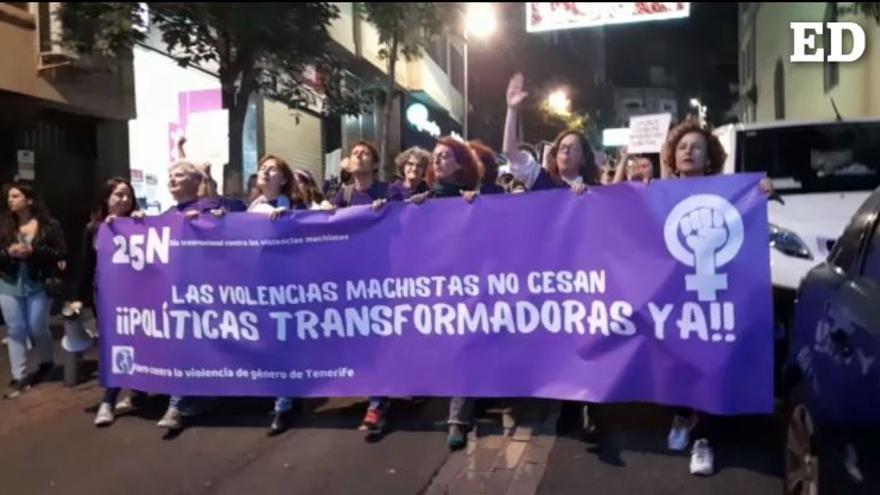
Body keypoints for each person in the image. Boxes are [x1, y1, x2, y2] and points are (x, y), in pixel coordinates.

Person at [502, 72, 600, 436]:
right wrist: (512, 111)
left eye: (573, 148)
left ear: (585, 157)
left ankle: (585, 409)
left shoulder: (598, 191)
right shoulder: (541, 182)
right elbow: (511, 153)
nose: (565, 152)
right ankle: (555, 403)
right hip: (545, 280)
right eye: (561, 147)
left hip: (586, 280)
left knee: (586, 343)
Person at [145, 160, 236, 430]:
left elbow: (228, 219)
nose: (172, 178)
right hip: (176, 292)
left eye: (179, 174)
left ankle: (176, 406)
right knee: (185, 346)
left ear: (196, 183)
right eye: (169, 174)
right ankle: (191, 398)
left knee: (191, 346)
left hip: (206, 292)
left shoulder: (207, 207)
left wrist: (212, 219)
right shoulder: (169, 213)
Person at [408, 137, 483, 450]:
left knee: (463, 347)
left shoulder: (473, 199)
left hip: (464, 286)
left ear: (460, 163)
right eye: (435, 156)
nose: (438, 160)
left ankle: (457, 419)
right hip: (430, 287)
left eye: (445, 156)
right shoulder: (419, 200)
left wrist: (476, 206)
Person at [248, 155, 306, 435]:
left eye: (271, 169)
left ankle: (285, 406)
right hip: (259, 287)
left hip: (288, 286)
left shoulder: (295, 207)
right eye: (262, 168)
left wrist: (291, 221)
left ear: (283, 179)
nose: (264, 172)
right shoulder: (251, 208)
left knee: (284, 343)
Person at [80, 178, 144, 425]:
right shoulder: (94, 229)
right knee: (115, 346)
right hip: (107, 296)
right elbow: (87, 265)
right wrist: (78, 297)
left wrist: (140, 224)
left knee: (141, 340)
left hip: (138, 296)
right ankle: (108, 399)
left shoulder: (140, 223)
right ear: (106, 198)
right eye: (118, 195)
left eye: (128, 195)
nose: (124, 200)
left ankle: (138, 390)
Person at [0, 182, 66, 399]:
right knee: (16, 329)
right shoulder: (4, 226)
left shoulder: (49, 224)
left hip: (38, 283)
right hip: (9, 283)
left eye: (15, 195)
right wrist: (9, 252)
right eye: (9, 197)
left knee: (37, 327)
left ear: (29, 199)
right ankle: (19, 375)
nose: (11, 200)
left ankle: (46, 362)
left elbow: (59, 252)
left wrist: (33, 251)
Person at [332, 142, 389, 208]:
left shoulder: (388, 191)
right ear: (350, 165)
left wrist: (386, 207)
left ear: (375, 164)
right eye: (355, 153)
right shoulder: (344, 195)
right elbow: (332, 215)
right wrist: (325, 209)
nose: (358, 156)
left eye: (365, 153)